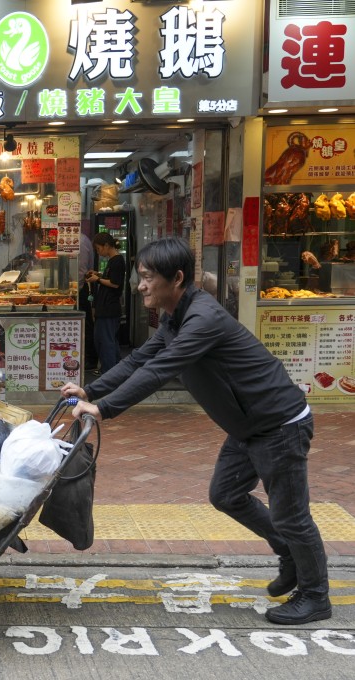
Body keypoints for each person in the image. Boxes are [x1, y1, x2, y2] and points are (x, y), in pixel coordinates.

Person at [62, 237, 330, 626]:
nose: (141, 286)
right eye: (141, 277)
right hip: (247, 425)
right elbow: (140, 358)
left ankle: (316, 595)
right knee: (226, 494)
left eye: (149, 278)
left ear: (178, 278)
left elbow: (160, 370)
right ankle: (289, 552)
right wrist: (91, 390)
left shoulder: (203, 319)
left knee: (292, 516)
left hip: (277, 424)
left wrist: (104, 409)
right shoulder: (176, 316)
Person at [86, 232, 125, 374]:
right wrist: (98, 274)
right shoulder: (112, 260)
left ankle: (109, 372)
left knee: (105, 341)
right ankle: (114, 370)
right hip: (107, 308)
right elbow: (110, 278)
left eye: (98, 248)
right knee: (108, 340)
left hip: (109, 308)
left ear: (107, 245)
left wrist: (97, 279)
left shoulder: (117, 260)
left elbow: (115, 284)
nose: (98, 252)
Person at [77, 231, 98, 372]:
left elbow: (84, 269)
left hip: (80, 287)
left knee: (86, 324)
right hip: (79, 286)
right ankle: (87, 358)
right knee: (86, 323)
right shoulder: (84, 239)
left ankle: (90, 359)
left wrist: (75, 286)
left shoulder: (81, 241)